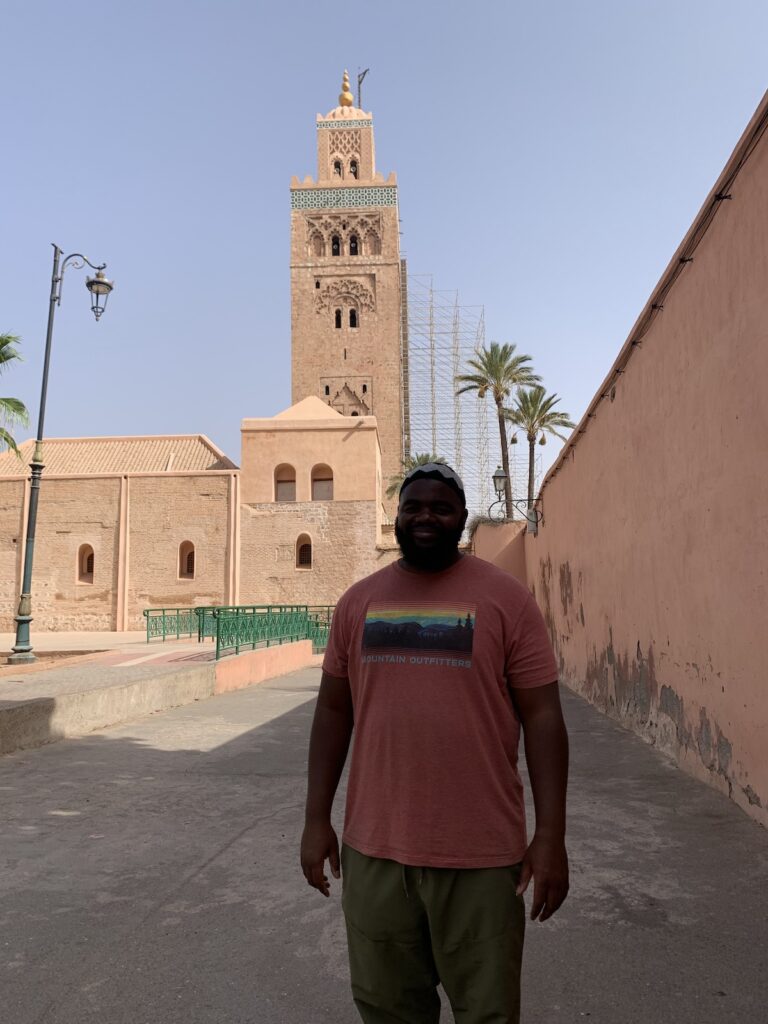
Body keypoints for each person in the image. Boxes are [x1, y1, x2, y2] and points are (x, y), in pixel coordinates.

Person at [300, 462, 569, 1024]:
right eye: (413, 506)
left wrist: (550, 837)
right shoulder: (357, 603)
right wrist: (315, 819)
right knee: (388, 1008)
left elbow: (543, 719)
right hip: (376, 853)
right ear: (396, 517)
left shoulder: (507, 600)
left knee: (487, 1009)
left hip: (481, 856)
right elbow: (332, 710)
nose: (425, 516)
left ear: (461, 518)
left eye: (441, 507)